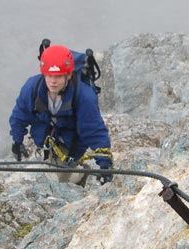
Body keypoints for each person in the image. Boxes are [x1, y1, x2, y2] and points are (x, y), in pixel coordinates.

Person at [9, 44, 113, 185]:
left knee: (59, 182)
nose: (53, 81)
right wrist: (17, 141)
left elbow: (94, 130)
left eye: (58, 76)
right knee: (45, 177)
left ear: (69, 75)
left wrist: (104, 165)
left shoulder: (84, 96)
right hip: (44, 139)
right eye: (49, 75)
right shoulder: (32, 88)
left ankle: (79, 175)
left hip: (71, 145)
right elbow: (19, 115)